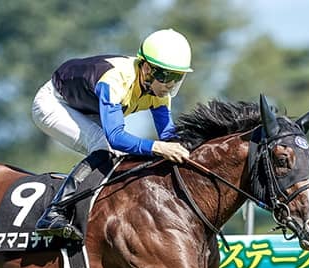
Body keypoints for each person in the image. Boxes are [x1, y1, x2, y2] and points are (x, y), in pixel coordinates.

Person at [31, 28, 192, 241]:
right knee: (104, 145)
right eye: (165, 76)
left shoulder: (160, 93)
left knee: (120, 156)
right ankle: (54, 212)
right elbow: (116, 136)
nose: (169, 85)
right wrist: (158, 147)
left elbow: (168, 137)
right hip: (54, 103)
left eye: (176, 77)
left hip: (88, 108)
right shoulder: (116, 79)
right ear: (146, 68)